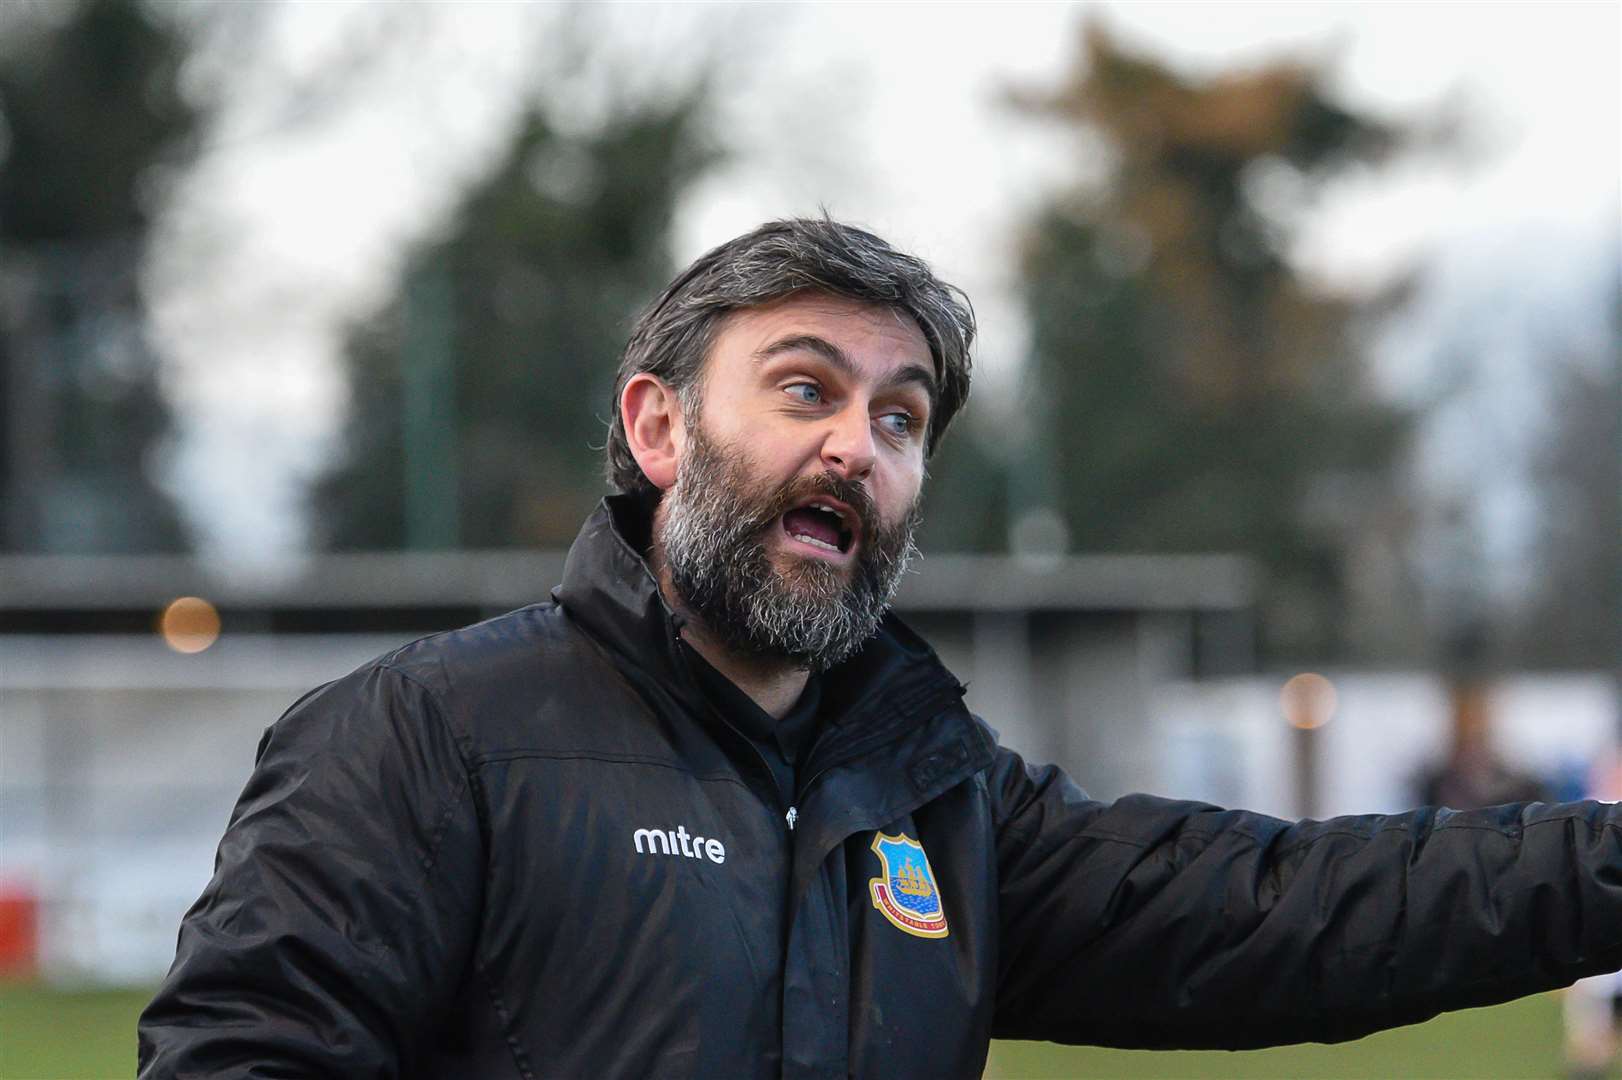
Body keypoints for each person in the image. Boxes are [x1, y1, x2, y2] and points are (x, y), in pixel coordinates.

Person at [138, 218, 1621, 1079]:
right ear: (658, 428)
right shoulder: (422, 740)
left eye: (900, 417)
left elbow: (1283, 911)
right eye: (804, 389)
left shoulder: (936, 795)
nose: (858, 447)